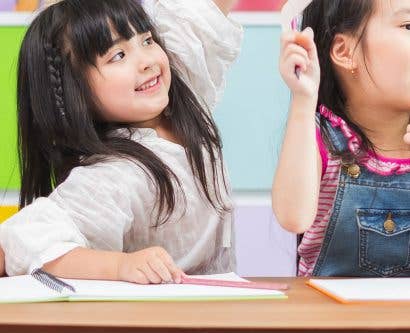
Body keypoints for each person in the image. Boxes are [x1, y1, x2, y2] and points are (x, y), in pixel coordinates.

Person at [0, 0, 242, 284]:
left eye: (148, 40)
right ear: (73, 93)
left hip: (220, 311)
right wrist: (119, 266)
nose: (147, 61)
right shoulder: (113, 175)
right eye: (118, 56)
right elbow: (17, 243)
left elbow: (201, 13)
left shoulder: (178, 90)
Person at [273, 0, 410, 277]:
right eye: (408, 25)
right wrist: (303, 98)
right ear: (345, 52)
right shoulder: (324, 139)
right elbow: (293, 216)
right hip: (329, 319)